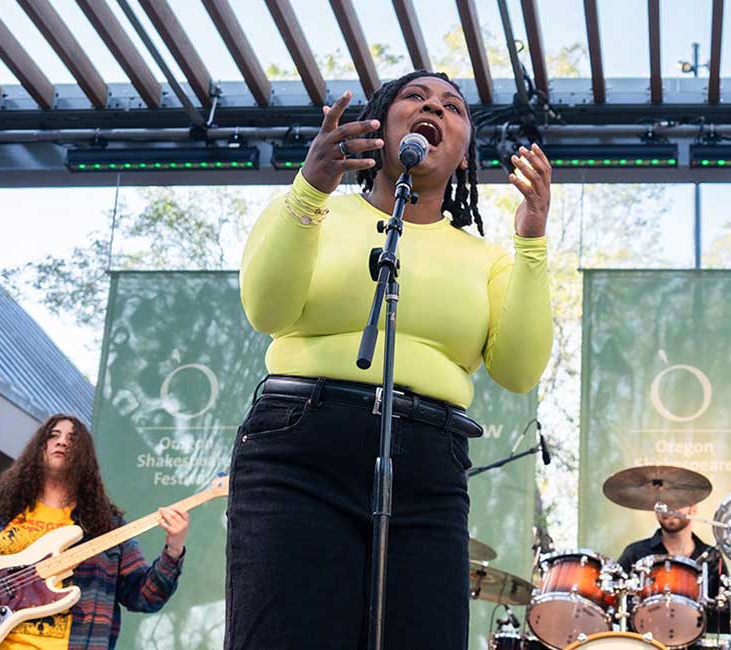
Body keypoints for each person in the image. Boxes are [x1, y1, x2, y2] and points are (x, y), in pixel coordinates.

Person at [228, 69, 555, 649]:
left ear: (462, 157)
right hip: (301, 448)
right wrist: (310, 186)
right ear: (378, 128)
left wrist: (530, 240)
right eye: (416, 96)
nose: (435, 106)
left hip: (427, 464)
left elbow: (518, 369)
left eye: (453, 107)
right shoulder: (312, 210)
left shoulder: (487, 259)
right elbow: (267, 310)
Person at [0, 415, 190, 650]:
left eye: (72, 439)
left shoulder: (106, 525)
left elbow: (144, 596)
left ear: (84, 456)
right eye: (54, 435)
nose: (62, 442)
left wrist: (174, 548)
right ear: (40, 446)